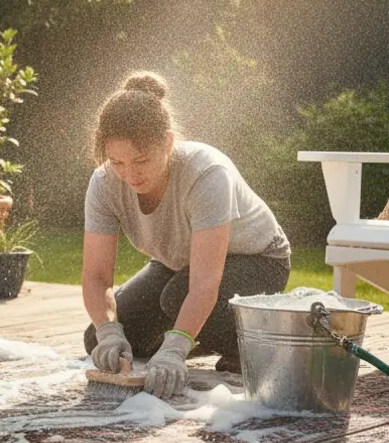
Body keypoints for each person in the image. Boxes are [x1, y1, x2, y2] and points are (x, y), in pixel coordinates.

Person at [82, 72, 291, 399]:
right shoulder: (104, 183)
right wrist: (109, 332)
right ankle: (195, 333)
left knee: (177, 298)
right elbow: (96, 277)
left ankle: (267, 341)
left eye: (141, 160)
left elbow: (205, 282)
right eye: (117, 162)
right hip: (178, 265)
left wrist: (176, 347)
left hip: (258, 260)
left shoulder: (206, 173)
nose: (129, 174)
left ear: (167, 143)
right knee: (99, 340)